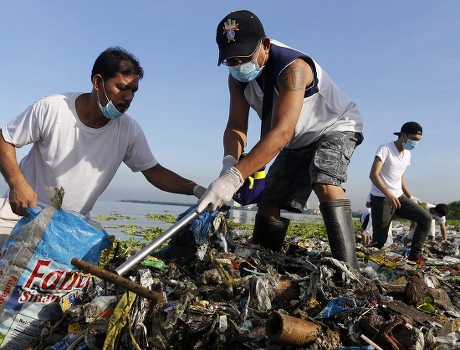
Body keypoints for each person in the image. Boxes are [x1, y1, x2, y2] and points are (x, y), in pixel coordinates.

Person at [197, 10, 363, 269]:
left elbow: (282, 132)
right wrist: (229, 164)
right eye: (231, 61)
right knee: (270, 201)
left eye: (244, 58)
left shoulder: (292, 68)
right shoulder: (237, 78)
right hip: (296, 138)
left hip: (334, 125)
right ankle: (263, 263)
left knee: (324, 180)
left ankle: (350, 269)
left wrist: (235, 178)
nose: (238, 66)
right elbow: (236, 126)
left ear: (264, 44)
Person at [0, 47, 206, 247]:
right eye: (122, 88)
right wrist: (17, 183)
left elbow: (154, 171)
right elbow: (5, 139)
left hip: (69, 229)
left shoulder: (129, 130)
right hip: (18, 216)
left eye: (134, 91)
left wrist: (197, 190)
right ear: (97, 82)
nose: (128, 98)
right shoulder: (54, 108)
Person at [369, 121, 432, 263]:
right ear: (403, 135)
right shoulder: (385, 149)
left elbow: (400, 175)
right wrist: (388, 194)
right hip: (382, 199)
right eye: (414, 139)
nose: (416, 143)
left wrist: (410, 196)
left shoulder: (407, 154)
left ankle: (413, 257)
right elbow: (374, 175)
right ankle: (369, 263)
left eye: (418, 141)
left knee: (425, 218)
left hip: (399, 197)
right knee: (379, 241)